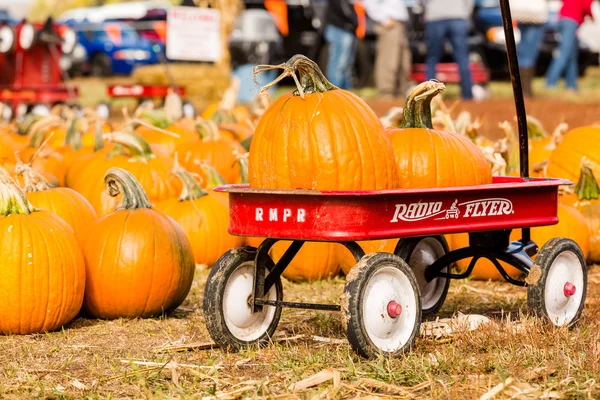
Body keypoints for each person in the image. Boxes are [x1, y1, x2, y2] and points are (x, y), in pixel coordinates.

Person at [423, 0, 475, 100]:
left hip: (435, 16)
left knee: (432, 57)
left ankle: (427, 96)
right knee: (462, 58)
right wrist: (465, 13)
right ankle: (467, 95)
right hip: (457, 16)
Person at [364, 0, 411, 98]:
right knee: (389, 61)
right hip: (390, 25)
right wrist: (383, 20)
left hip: (400, 25)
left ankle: (400, 95)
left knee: (403, 62)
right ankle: (385, 95)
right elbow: (369, 2)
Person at [545, 0, 594, 91]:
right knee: (564, 53)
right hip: (571, 21)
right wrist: (592, 17)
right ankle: (550, 82)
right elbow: (586, 6)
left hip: (562, 19)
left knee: (571, 55)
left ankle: (571, 85)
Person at [511, 0, 549, 97]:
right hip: (535, 14)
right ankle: (526, 91)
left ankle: (522, 89)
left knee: (523, 52)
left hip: (519, 12)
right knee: (528, 54)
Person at [323, 0, 360, 89]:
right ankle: (335, 91)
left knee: (347, 64)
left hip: (345, 29)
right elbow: (346, 11)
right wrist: (353, 22)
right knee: (339, 63)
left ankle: (345, 92)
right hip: (340, 29)